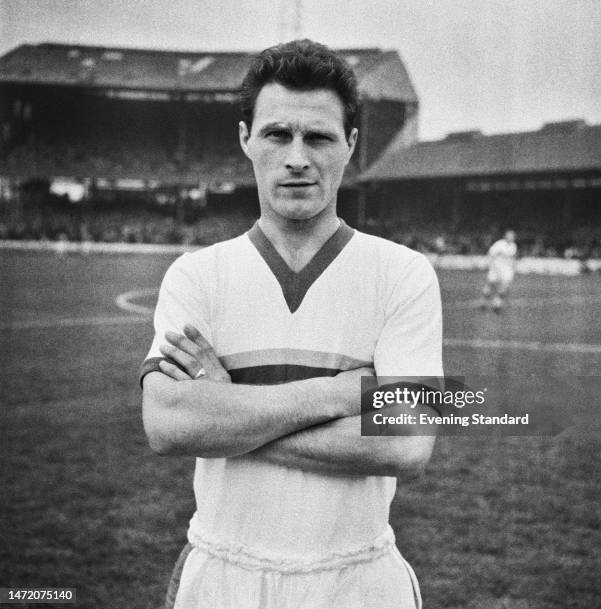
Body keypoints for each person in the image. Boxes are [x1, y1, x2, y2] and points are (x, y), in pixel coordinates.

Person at [140, 40, 443, 609]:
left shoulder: (402, 274)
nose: (298, 157)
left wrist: (229, 414)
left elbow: (407, 444)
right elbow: (168, 427)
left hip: (357, 581)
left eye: (320, 137)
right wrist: (342, 392)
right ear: (245, 139)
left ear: (351, 145)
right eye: (278, 133)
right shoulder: (196, 276)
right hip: (223, 576)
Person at [480, 229, 517, 313]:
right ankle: (484, 303)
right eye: (509, 235)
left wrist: (513, 267)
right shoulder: (499, 244)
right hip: (495, 268)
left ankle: (497, 304)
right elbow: (490, 254)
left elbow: (512, 258)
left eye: (512, 236)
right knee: (490, 285)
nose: (511, 237)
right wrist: (490, 265)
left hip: (506, 270)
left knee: (504, 286)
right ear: (505, 236)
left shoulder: (513, 246)